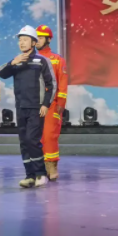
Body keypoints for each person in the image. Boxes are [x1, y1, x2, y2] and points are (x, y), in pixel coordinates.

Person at [0, 26, 57, 188]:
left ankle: (41, 174)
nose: (22, 43)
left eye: (25, 39)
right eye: (20, 40)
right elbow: (0, 73)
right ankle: (29, 175)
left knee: (32, 139)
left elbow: (52, 84)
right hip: (21, 107)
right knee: (24, 142)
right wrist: (12, 62)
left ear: (33, 42)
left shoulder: (41, 61)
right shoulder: (16, 61)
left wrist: (45, 104)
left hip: (36, 108)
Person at [35, 25, 69, 181]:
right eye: (36, 38)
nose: (37, 41)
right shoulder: (32, 59)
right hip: (34, 103)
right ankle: (40, 166)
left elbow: (62, 81)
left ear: (48, 40)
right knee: (36, 136)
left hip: (51, 103)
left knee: (50, 135)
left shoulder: (57, 59)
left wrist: (61, 101)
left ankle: (52, 166)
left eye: (41, 38)